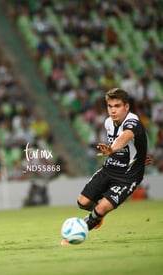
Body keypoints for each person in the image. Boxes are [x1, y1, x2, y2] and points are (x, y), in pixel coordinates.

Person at [63, 88, 150, 245]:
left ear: (126, 107)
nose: (113, 110)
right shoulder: (108, 123)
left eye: (117, 106)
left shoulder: (132, 121)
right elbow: (132, 146)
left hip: (127, 177)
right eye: (110, 106)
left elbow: (126, 136)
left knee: (101, 208)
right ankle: (97, 216)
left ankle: (74, 237)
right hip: (109, 169)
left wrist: (112, 149)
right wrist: (140, 156)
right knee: (82, 202)